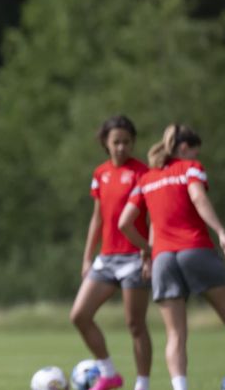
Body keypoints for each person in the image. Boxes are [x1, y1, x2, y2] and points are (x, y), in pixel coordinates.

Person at [117, 124, 225, 390]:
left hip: (162, 259)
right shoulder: (190, 168)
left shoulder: (146, 179)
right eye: (194, 151)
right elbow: (197, 197)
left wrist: (147, 252)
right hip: (194, 249)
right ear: (184, 148)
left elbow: (125, 222)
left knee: (175, 334)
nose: (195, 156)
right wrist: (221, 231)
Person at [70, 115, 152, 390]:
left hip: (134, 258)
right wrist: (87, 257)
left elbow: (154, 217)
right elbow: (98, 218)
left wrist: (149, 254)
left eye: (127, 142)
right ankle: (109, 373)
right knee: (79, 316)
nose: (121, 147)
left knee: (135, 325)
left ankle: (142, 384)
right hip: (105, 259)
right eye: (116, 142)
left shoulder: (142, 173)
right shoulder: (100, 173)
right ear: (105, 142)